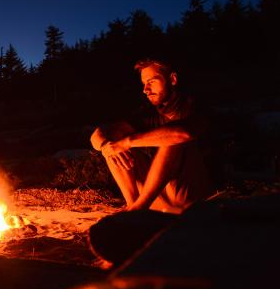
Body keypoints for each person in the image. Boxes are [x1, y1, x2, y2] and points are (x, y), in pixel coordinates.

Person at [90, 58, 213, 213]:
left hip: (197, 200)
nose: (145, 89)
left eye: (152, 82)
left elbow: (182, 133)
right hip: (160, 199)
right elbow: (98, 134)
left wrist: (127, 142)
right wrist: (105, 146)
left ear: (173, 79)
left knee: (171, 140)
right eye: (143, 84)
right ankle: (133, 206)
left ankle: (138, 210)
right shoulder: (149, 113)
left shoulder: (194, 105)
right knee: (113, 145)